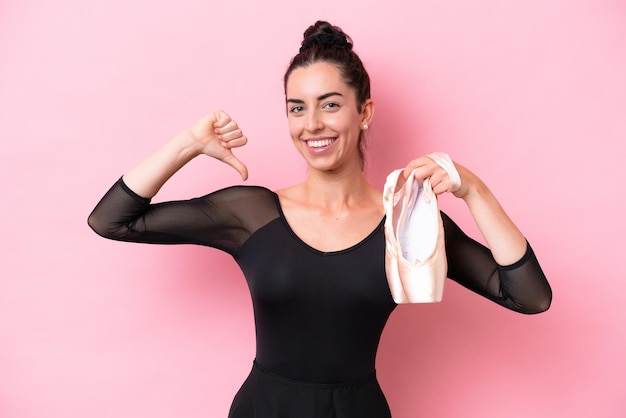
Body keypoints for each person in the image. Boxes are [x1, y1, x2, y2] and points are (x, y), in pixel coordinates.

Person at [88, 20, 552, 418]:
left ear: (364, 112)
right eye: (297, 107)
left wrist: (472, 189)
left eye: (329, 104)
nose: (311, 124)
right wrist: (189, 142)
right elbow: (112, 220)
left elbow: (529, 297)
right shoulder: (249, 213)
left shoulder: (408, 223)